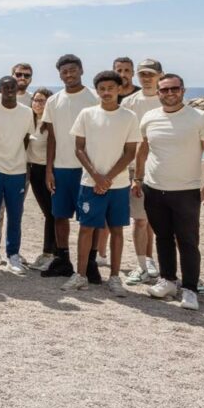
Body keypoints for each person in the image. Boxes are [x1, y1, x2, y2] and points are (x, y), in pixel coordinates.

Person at [137, 73, 204, 310]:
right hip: (154, 189)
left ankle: (190, 289)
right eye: (164, 90)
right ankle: (168, 280)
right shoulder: (149, 118)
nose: (169, 93)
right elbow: (143, 150)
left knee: (188, 241)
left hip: (186, 191)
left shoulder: (200, 118)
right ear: (158, 92)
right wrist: (137, 178)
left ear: (183, 90)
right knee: (163, 238)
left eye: (174, 89)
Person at [63, 70, 141, 295]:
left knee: (116, 230)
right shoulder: (87, 114)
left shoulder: (129, 117)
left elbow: (130, 152)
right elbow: (78, 148)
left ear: (119, 89)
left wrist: (107, 178)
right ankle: (80, 275)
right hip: (89, 183)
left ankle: (115, 278)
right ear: (97, 91)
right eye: (102, 89)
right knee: (86, 229)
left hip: (118, 185)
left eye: (111, 88)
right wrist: (96, 175)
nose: (106, 92)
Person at [39, 54, 100, 280]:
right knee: (59, 215)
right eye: (64, 72)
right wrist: (49, 169)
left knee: (91, 217)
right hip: (61, 167)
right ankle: (62, 258)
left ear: (81, 70)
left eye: (72, 70)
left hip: (88, 168)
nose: (69, 75)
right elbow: (52, 138)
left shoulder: (94, 98)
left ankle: (90, 262)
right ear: (60, 75)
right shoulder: (54, 101)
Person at [0, 76, 33, 274]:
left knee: (15, 215)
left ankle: (13, 257)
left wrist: (17, 158)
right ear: (0, 89)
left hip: (17, 171)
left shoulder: (26, 112)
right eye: (5, 87)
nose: (9, 90)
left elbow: (26, 139)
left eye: (12, 87)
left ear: (17, 89)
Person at [121, 59, 163, 285]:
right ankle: (142, 265)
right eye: (142, 74)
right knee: (140, 220)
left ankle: (161, 265)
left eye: (150, 74)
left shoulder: (167, 98)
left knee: (162, 222)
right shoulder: (129, 102)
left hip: (162, 168)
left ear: (160, 75)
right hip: (134, 169)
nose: (146, 78)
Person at [26, 88, 56, 271]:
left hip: (48, 170)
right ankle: (48, 252)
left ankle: (51, 253)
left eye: (43, 101)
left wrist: (50, 172)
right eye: (36, 100)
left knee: (52, 212)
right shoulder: (30, 121)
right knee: (48, 213)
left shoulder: (51, 124)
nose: (38, 104)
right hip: (33, 170)